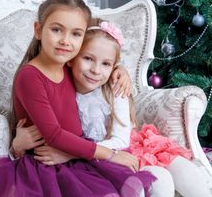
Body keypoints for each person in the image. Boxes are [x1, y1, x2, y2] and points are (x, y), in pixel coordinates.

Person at [0, 0, 156, 197]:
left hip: (76, 156)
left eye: (76, 34)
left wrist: (120, 69)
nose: (65, 41)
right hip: (46, 165)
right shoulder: (30, 76)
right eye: (56, 30)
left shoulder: (68, 66)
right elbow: (54, 135)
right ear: (38, 30)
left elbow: (97, 61)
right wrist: (110, 155)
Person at [13, 17, 212, 197]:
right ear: (71, 59)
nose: (95, 70)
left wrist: (72, 153)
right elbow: (48, 131)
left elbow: (121, 139)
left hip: (128, 146)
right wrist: (18, 145)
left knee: (189, 177)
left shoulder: (115, 88)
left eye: (106, 64)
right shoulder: (57, 86)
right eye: (88, 59)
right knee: (159, 183)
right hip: (100, 161)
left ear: (113, 66)